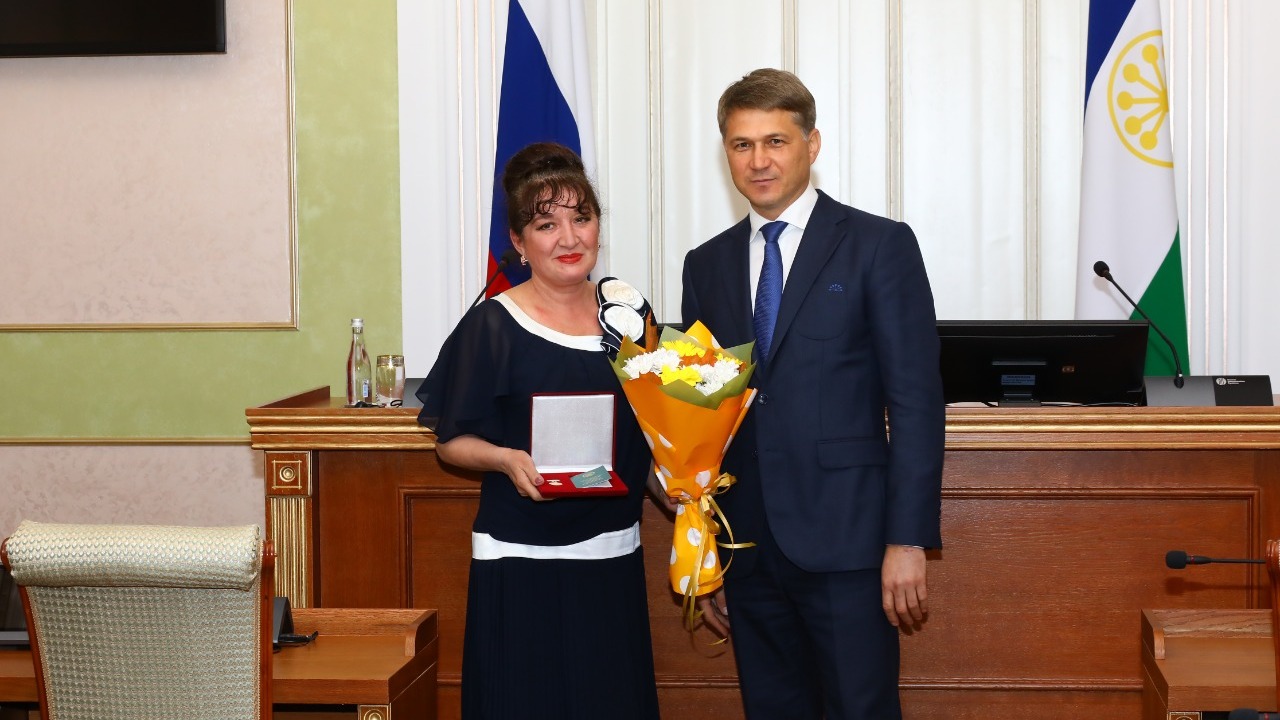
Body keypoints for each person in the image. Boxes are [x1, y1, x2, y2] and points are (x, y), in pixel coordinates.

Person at [680, 68, 945, 719]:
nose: (759, 161)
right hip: (745, 548)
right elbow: (700, 417)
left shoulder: (878, 246)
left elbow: (916, 403)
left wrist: (907, 540)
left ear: (812, 144)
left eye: (776, 141)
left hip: (850, 546)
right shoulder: (705, 265)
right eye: (742, 145)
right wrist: (703, 546)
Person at [417, 142, 661, 720]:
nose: (569, 238)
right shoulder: (493, 325)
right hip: (521, 556)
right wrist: (505, 459)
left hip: (612, 552)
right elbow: (451, 441)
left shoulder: (628, 316)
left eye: (582, 218)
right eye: (547, 225)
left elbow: (653, 432)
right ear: (520, 242)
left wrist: (674, 484)